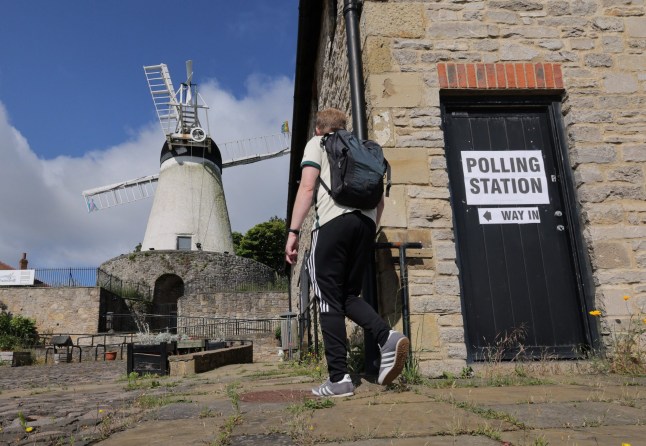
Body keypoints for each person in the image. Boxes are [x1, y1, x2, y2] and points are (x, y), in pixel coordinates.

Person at [285, 108, 409, 397]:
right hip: (365, 226)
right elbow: (378, 203)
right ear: (344, 127)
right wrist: (364, 230)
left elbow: (306, 188)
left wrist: (293, 233)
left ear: (319, 129)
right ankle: (386, 337)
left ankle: (339, 378)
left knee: (328, 298)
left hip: (332, 225)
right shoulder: (365, 151)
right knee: (348, 296)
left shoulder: (319, 143)